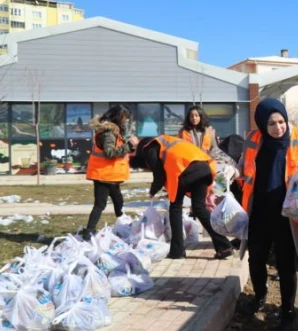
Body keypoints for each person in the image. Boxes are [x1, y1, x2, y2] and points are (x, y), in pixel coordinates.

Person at [234, 98, 298, 331]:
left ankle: (287, 312)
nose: (278, 127)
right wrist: (232, 170)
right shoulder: (253, 138)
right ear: (262, 124)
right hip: (258, 211)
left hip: (286, 214)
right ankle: (259, 297)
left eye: (281, 121)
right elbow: (243, 166)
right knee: (256, 259)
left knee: (285, 264)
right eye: (271, 123)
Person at [129, 135, 233, 260]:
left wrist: (153, 191)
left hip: (184, 172)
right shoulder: (166, 140)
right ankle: (224, 246)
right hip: (204, 169)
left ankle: (177, 251)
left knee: (175, 209)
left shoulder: (148, 148)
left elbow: (159, 174)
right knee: (199, 208)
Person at [81, 105, 139, 240]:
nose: (126, 121)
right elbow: (109, 152)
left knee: (118, 200)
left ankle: (123, 223)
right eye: (125, 118)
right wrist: (129, 146)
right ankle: (89, 231)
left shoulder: (113, 131)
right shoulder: (109, 132)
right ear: (118, 117)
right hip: (103, 175)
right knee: (100, 204)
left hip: (110, 175)